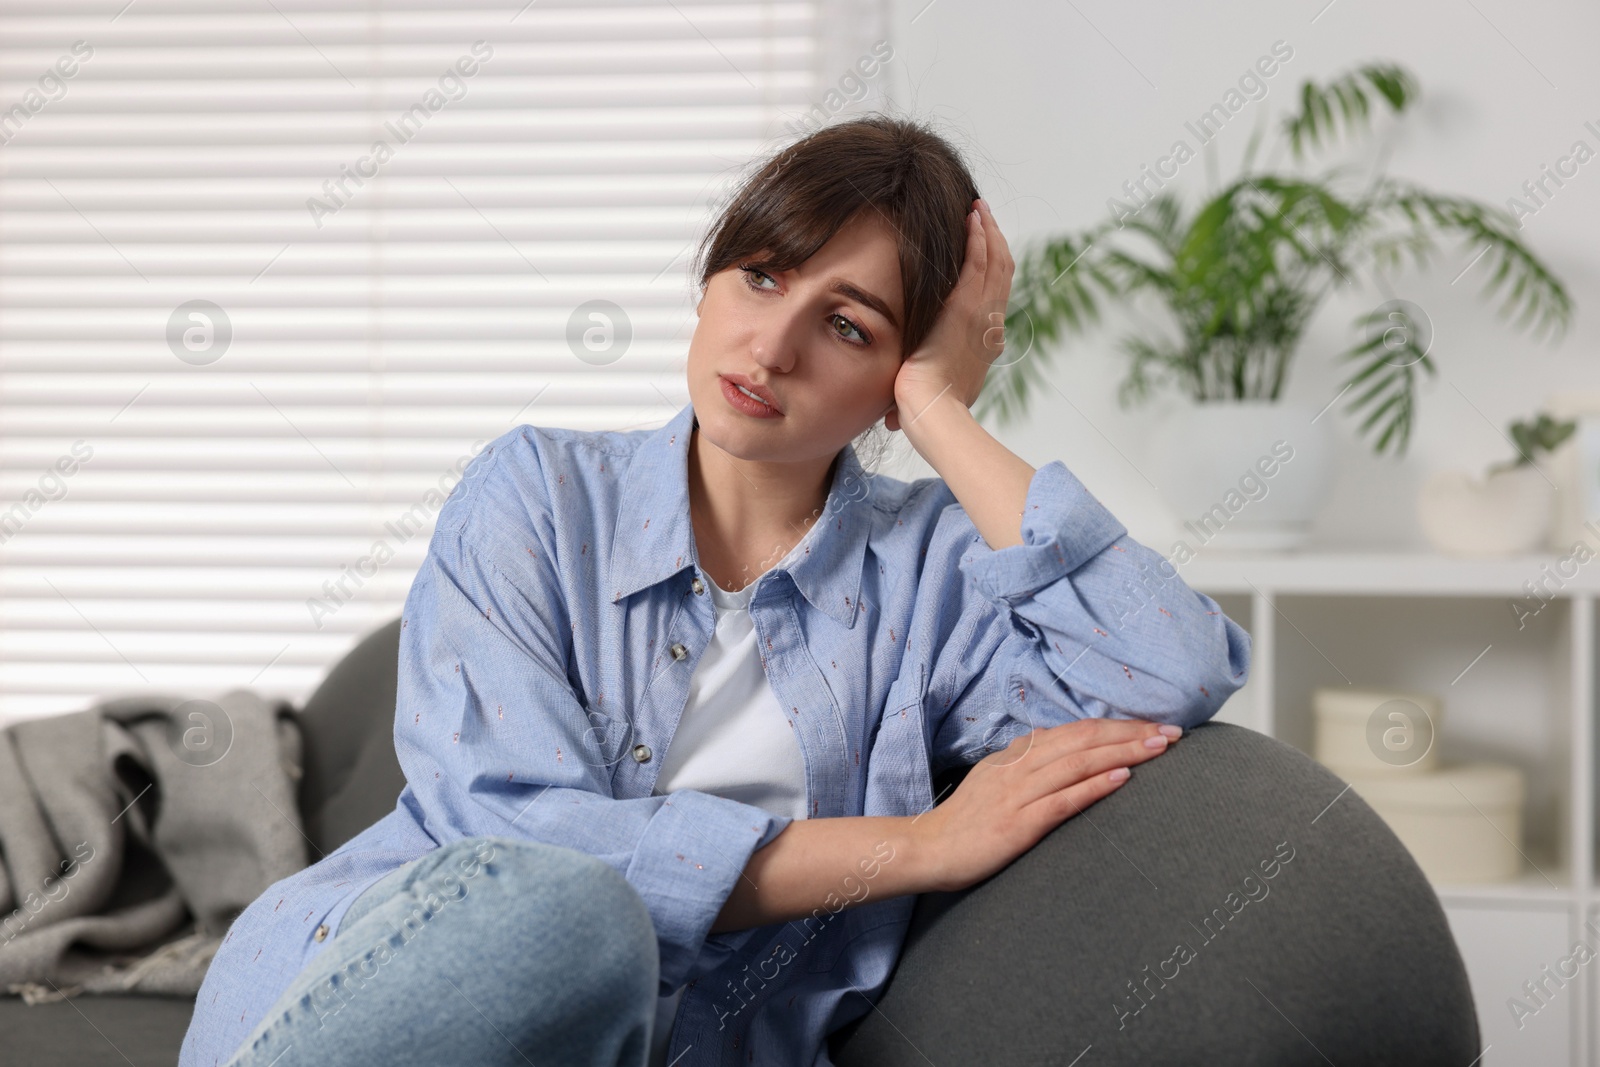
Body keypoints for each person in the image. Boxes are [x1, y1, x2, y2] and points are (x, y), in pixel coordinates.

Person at [179, 113, 1251, 1067]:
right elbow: (508, 841)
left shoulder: (929, 576)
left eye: (849, 327)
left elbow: (1170, 664)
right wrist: (919, 845)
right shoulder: (538, 493)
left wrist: (939, 411)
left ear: (895, 375)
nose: (771, 344)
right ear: (707, 281)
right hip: (376, 980)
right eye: (762, 273)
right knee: (569, 909)